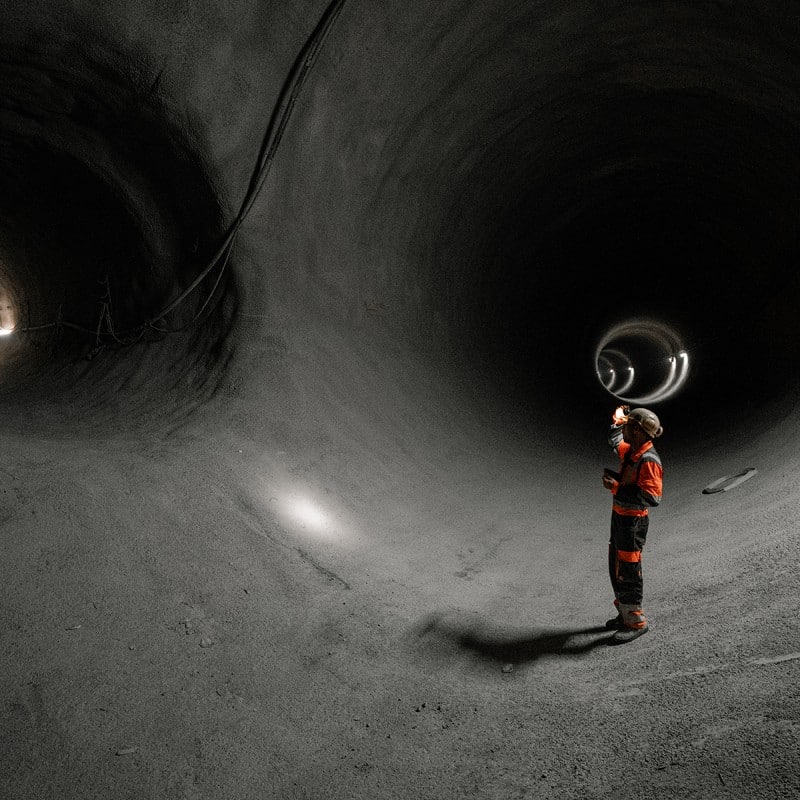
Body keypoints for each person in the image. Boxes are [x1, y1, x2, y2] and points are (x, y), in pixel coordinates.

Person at [601, 406, 663, 644]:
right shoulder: (633, 450)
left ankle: (636, 621)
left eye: (628, 425)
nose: (624, 428)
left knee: (629, 569)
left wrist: (616, 487)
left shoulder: (648, 459)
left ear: (637, 431)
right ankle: (625, 614)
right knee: (616, 566)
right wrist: (616, 421)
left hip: (632, 522)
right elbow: (615, 441)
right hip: (620, 517)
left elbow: (652, 497)